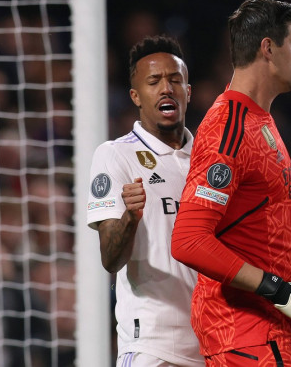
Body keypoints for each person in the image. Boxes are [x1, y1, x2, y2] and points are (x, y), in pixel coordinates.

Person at [171, 0, 291, 367]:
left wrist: (286, 325)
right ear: (267, 48)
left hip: (268, 333)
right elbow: (188, 240)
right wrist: (280, 293)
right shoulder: (227, 128)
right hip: (243, 335)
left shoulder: (261, 121)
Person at [86, 35, 204, 366]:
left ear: (188, 92)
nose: (166, 88)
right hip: (153, 345)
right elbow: (110, 258)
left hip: (215, 342)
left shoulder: (210, 161)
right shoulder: (115, 155)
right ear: (136, 96)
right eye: (154, 81)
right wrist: (129, 218)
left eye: (175, 80)